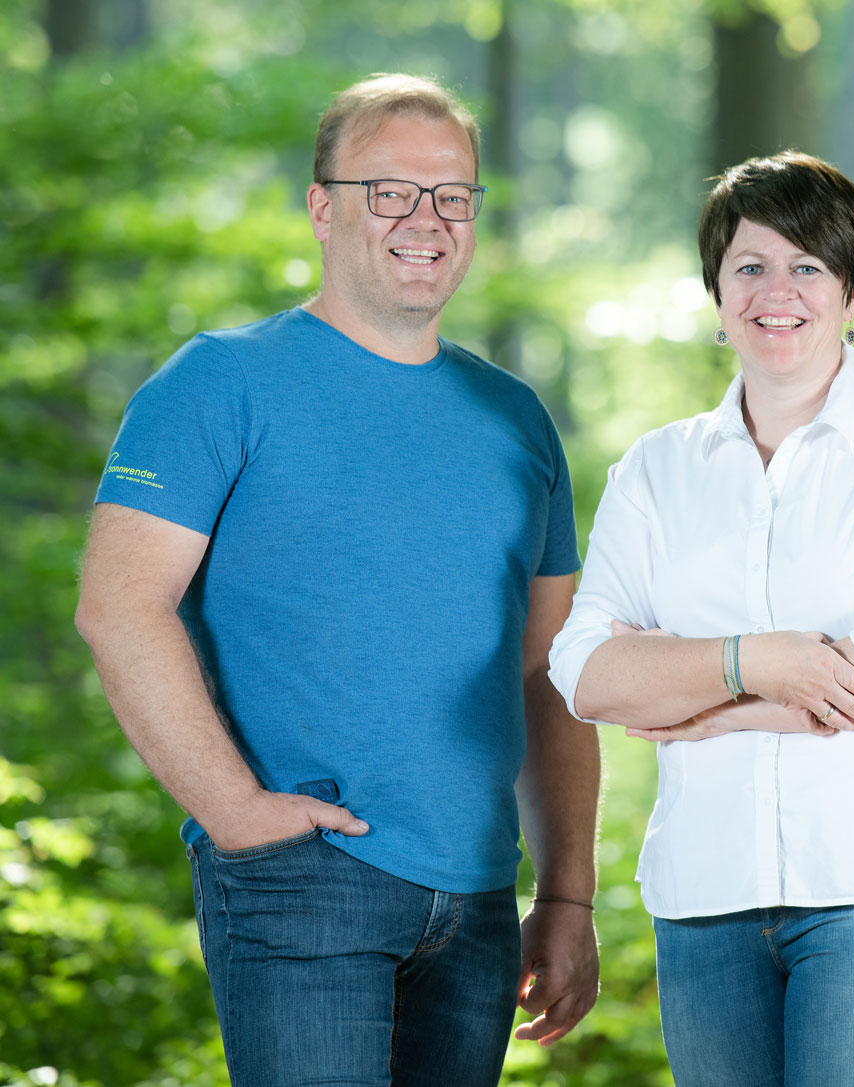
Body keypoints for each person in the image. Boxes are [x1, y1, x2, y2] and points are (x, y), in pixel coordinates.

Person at [74, 73, 600, 1086]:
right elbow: (118, 606)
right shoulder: (220, 380)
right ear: (322, 207)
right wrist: (233, 810)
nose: (427, 220)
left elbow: (550, 669)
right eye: (390, 190)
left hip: (483, 893)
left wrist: (567, 894)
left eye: (453, 195)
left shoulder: (516, 418)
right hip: (303, 871)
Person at [547, 151, 854, 1086]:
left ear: (853, 288)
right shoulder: (656, 469)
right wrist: (765, 659)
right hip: (706, 890)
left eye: (808, 267)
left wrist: (697, 701)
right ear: (716, 290)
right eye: (750, 266)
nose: (776, 292)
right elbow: (586, 671)